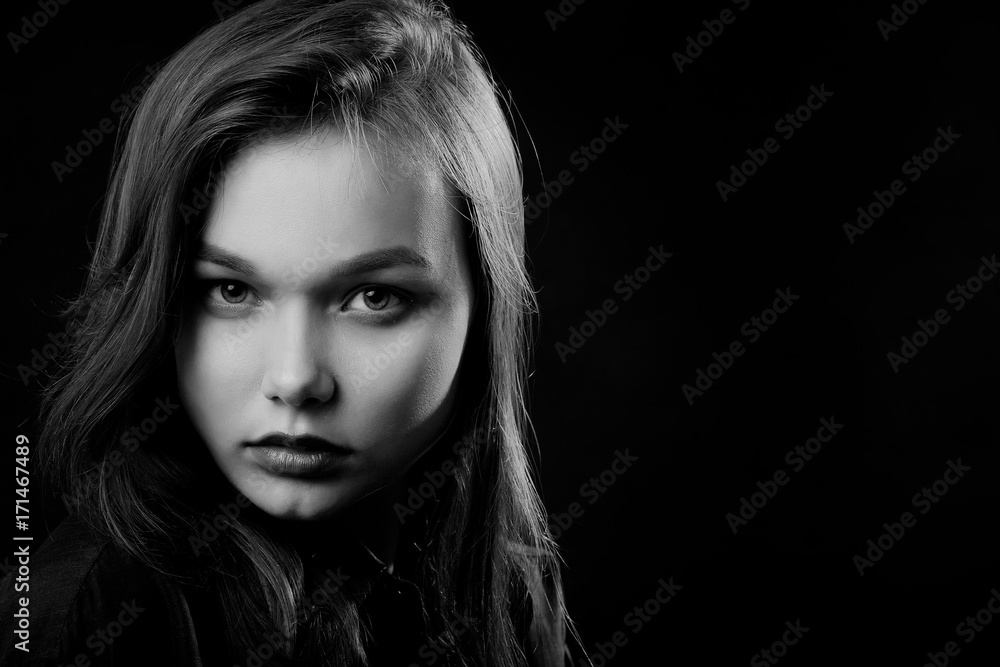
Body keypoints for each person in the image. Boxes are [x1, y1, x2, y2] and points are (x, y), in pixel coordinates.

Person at [0, 1, 578, 664]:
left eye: (373, 297)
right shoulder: (90, 615)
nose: (296, 377)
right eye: (232, 291)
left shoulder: (504, 587)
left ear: (483, 306)